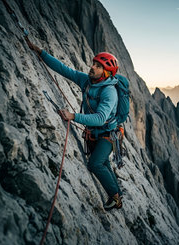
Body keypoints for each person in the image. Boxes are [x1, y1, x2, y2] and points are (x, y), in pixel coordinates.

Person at [26, 39, 123, 210]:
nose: (93, 67)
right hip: (95, 133)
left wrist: (73, 116)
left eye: (98, 66)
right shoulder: (87, 81)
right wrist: (40, 52)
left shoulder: (109, 92)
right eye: (94, 63)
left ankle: (116, 198)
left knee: (95, 164)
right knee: (103, 163)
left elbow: (100, 118)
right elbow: (65, 70)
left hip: (109, 134)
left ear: (107, 73)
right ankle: (117, 194)